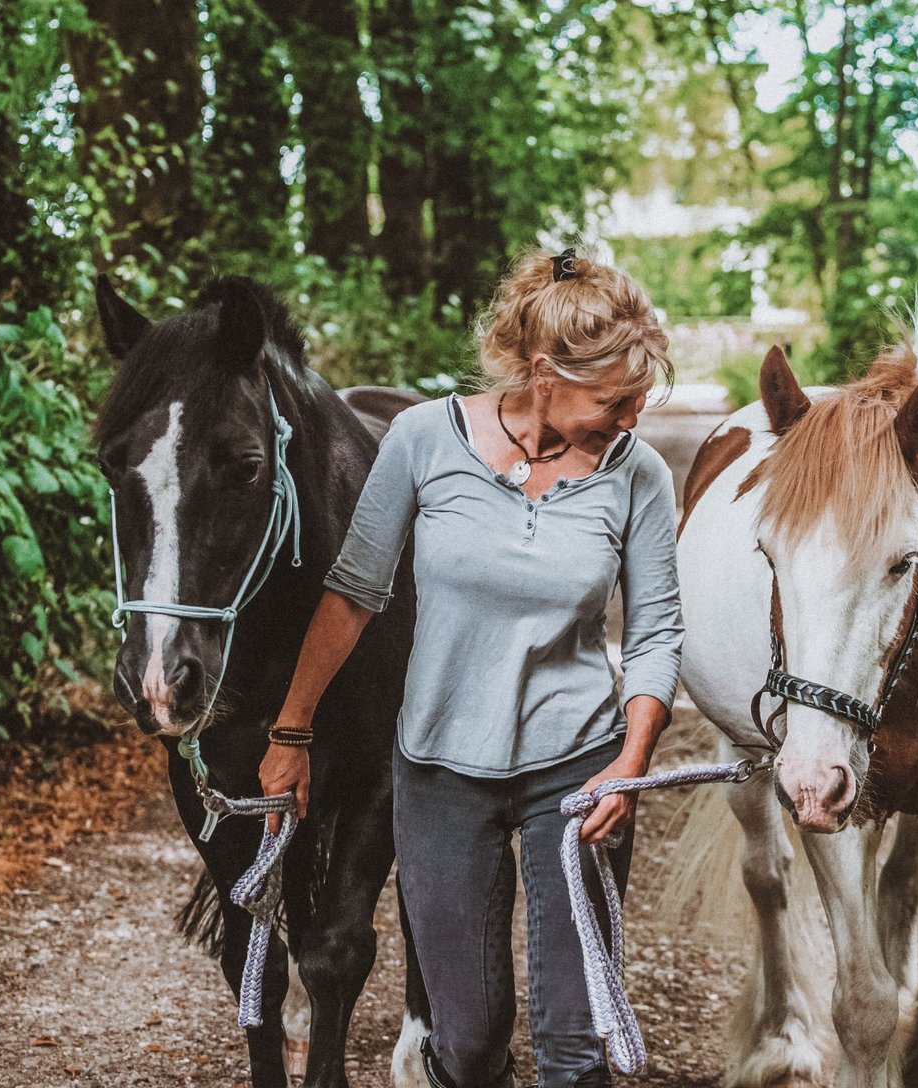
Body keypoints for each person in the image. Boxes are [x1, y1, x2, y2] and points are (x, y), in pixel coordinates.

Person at [259, 248, 684, 1088]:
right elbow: (352, 593)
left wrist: (631, 762)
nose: (631, 418)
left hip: (578, 770)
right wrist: (291, 729)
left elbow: (656, 631)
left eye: (640, 400)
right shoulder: (423, 439)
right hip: (440, 771)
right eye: (614, 400)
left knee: (575, 1043)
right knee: (469, 1040)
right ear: (543, 373)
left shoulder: (638, 475)